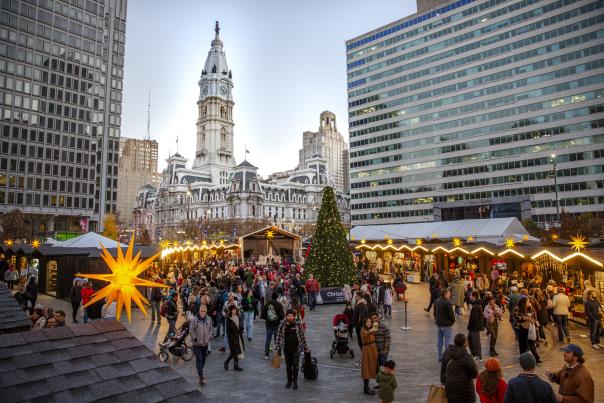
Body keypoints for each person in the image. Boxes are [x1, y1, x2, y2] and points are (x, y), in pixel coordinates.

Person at [275, 307, 309, 390]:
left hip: (296, 349)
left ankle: (295, 382)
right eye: (288, 316)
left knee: (296, 365)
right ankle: (289, 381)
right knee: (288, 366)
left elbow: (302, 336)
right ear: (286, 316)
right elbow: (278, 337)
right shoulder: (282, 325)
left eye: (291, 316)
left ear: (294, 316)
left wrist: (305, 347)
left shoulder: (297, 324)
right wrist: (277, 348)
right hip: (286, 349)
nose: (290, 317)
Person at [441, 333, 479, 403]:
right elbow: (474, 374)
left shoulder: (447, 352)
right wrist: (476, 366)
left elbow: (443, 368)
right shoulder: (467, 357)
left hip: (450, 390)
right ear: (465, 343)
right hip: (465, 393)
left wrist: (443, 381)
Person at [190, 304, 213, 385]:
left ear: (206, 312)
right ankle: (201, 376)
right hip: (197, 344)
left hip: (205, 344)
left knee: (203, 360)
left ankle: (200, 371)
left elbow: (211, 329)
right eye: (201, 311)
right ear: (199, 311)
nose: (203, 313)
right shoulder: (194, 319)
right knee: (199, 359)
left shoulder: (209, 319)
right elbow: (191, 330)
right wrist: (194, 338)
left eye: (204, 311)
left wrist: (209, 336)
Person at [513, 297, 542, 363]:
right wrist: (526, 318)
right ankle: (523, 358)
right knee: (522, 343)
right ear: (524, 302)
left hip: (530, 327)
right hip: (520, 328)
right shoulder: (517, 308)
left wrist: (533, 320)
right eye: (528, 301)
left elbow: (534, 315)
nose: (529, 303)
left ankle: (536, 358)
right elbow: (516, 316)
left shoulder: (530, 307)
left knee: (531, 342)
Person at [261, 291, 285, 359]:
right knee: (277, 340)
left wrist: (267, 318)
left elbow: (263, 314)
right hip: (276, 323)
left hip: (268, 323)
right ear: (277, 297)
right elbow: (282, 316)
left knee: (268, 339)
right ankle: (279, 354)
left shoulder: (267, 304)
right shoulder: (279, 304)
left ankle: (266, 355)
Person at [435, 289, 455, 362]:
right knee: (447, 341)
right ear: (445, 294)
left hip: (439, 324)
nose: (450, 295)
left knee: (439, 341)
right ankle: (446, 357)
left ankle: (440, 356)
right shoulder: (447, 303)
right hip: (446, 324)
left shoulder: (437, 301)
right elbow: (451, 314)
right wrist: (453, 321)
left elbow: (435, 312)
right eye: (449, 294)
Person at [360, 317, 378, 395]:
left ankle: (367, 387)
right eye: (367, 322)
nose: (369, 323)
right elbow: (365, 334)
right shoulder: (363, 330)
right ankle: (366, 388)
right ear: (364, 323)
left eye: (370, 322)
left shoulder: (372, 329)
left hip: (372, 350)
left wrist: (375, 324)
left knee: (371, 368)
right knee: (366, 368)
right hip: (367, 350)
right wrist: (371, 330)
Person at [224, 304, 244, 371]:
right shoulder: (229, 319)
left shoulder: (238, 317)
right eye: (233, 310)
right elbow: (228, 331)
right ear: (230, 310)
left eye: (235, 309)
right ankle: (235, 365)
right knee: (234, 352)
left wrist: (241, 329)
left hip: (238, 337)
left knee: (235, 352)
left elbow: (240, 326)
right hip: (232, 339)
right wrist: (232, 339)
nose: (234, 311)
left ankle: (230, 363)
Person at [467, 291, 485, 361]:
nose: (470, 296)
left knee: (475, 341)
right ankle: (474, 354)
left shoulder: (477, 306)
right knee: (470, 340)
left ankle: (478, 356)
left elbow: (475, 318)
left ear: (474, 297)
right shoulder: (475, 304)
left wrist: (471, 326)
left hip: (474, 327)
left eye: (471, 295)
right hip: (472, 327)